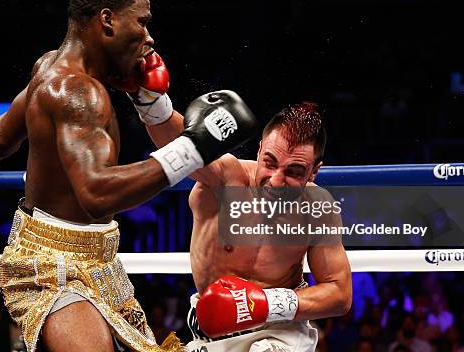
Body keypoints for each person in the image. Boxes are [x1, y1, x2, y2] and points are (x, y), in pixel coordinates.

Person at [0, 0, 258, 352]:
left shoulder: (49, 66)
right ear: (108, 20)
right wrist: (195, 146)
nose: (150, 36)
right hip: (50, 266)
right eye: (142, 22)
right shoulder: (78, 93)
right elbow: (96, 193)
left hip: (99, 261)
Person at [139, 94, 352, 351]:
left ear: (314, 171)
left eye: (294, 172)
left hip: (279, 332)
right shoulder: (227, 179)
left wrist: (264, 304)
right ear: (260, 149)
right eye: (270, 163)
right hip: (210, 331)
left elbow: (339, 294)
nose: (275, 181)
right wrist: (150, 100)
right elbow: (177, 143)